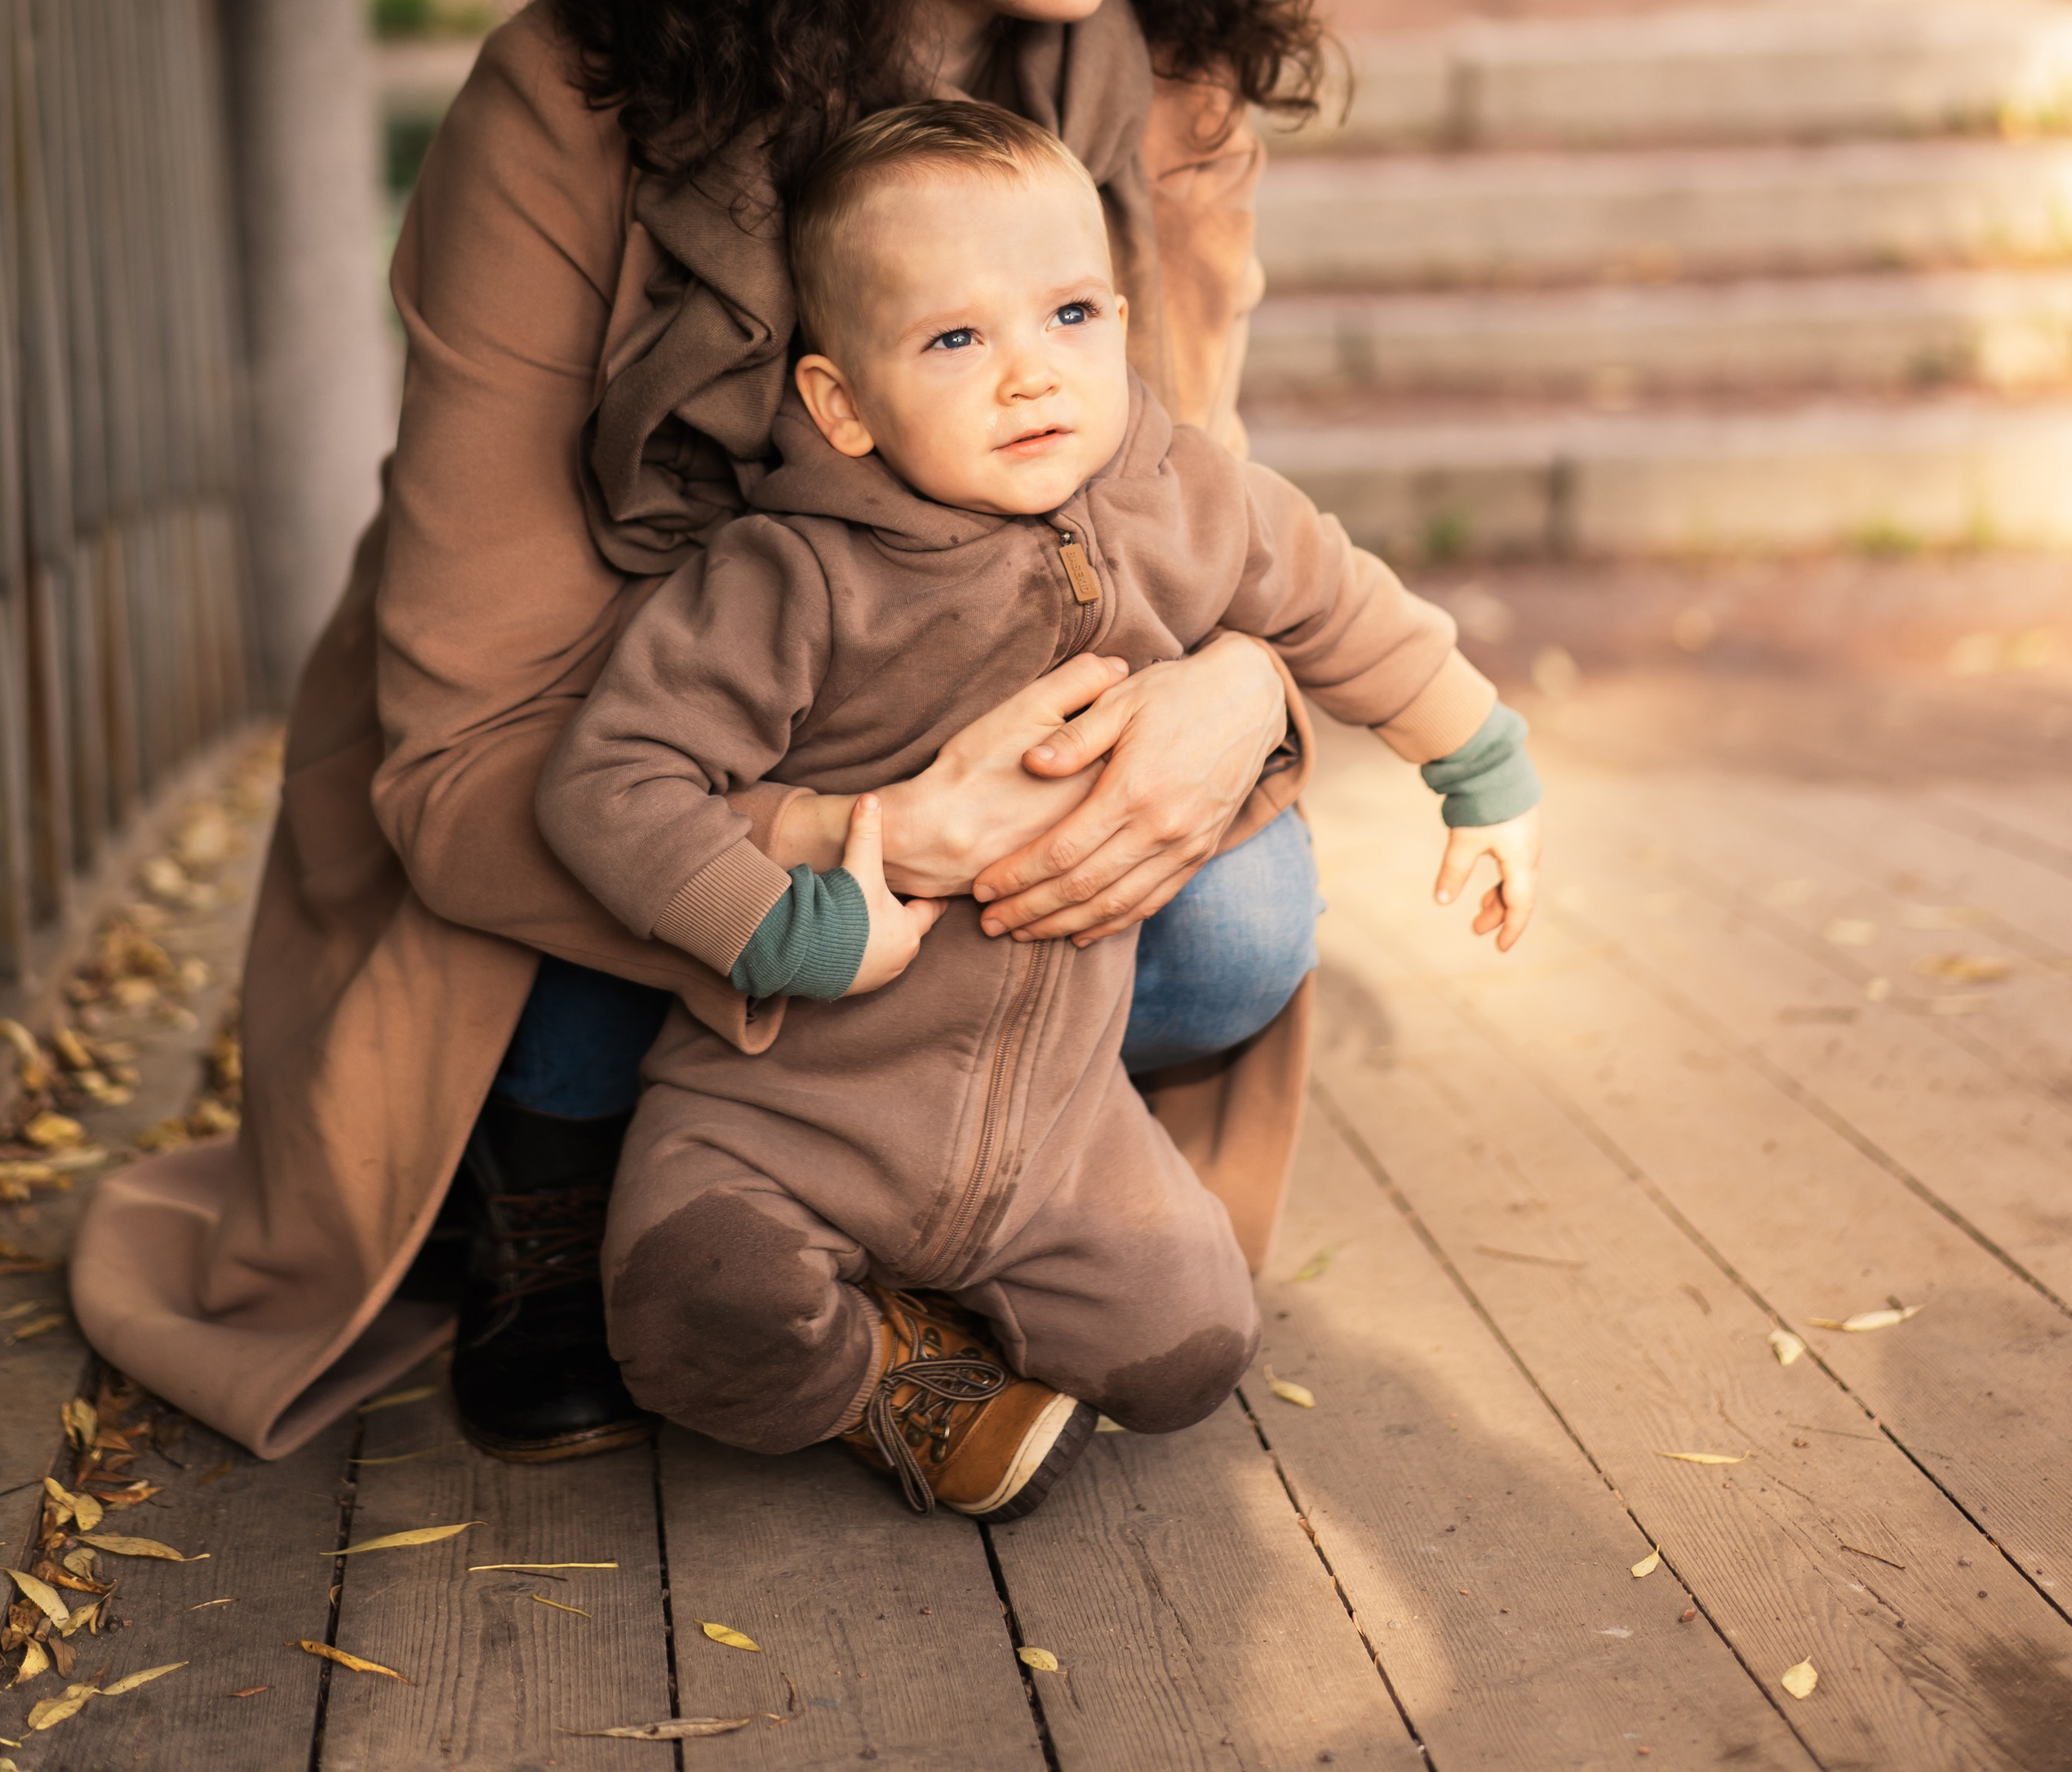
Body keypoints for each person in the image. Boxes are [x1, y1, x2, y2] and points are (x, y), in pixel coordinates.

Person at [70, 0, 1536, 1465]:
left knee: (1231, 930)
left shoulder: (1150, 81)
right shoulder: (569, 111)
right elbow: (473, 749)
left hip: (972, 763)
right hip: (628, 774)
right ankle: (554, 1200)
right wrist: (872, 846)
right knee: (587, 937)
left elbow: (1196, 523)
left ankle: (898, 1207)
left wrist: (1242, 702)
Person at [537, 100, 1543, 1521]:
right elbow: (611, 783)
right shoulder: (795, 576)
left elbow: (1342, 603)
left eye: (1071, 315)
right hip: (791, 1113)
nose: (1033, 377)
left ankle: (948, 1302)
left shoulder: (1184, 498)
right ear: (842, 403)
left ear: (1122, 320)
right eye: (957, 341)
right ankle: (873, 1370)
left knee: (1192, 1349)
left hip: (1061, 1130)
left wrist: (1482, 768)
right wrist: (784, 928)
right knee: (694, 1295)